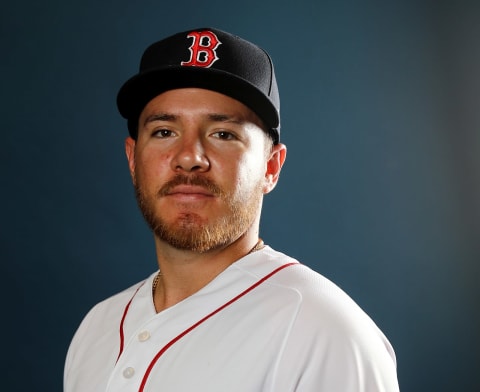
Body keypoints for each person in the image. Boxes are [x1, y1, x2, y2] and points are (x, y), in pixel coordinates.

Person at [64, 27, 399, 391]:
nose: (189, 158)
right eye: (164, 131)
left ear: (271, 167)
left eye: (223, 134)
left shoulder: (327, 335)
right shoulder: (96, 329)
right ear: (132, 158)